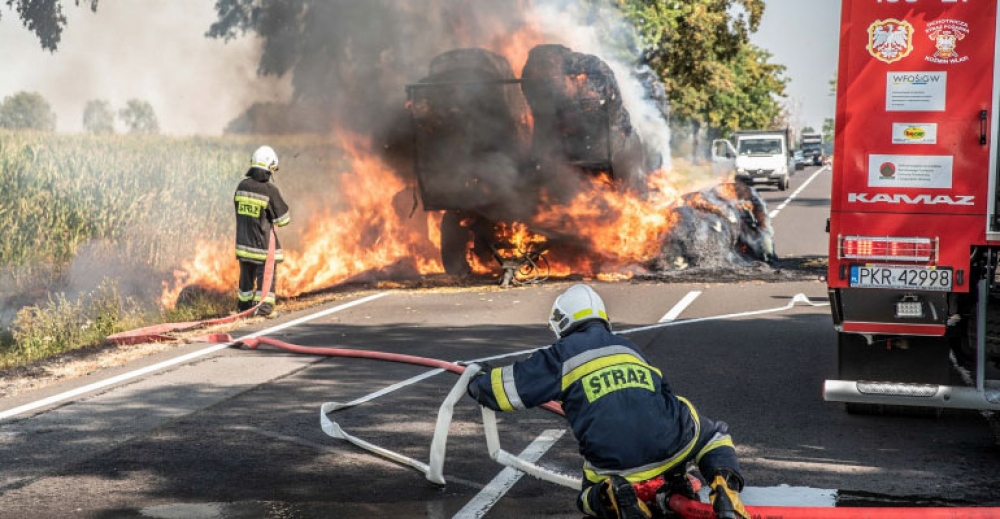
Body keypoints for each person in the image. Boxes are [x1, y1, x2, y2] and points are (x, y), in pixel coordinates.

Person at [466, 284, 749, 519]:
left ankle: (610, 495)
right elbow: (662, 393)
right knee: (713, 435)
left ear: (561, 322)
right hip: (672, 446)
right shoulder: (628, 347)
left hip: (617, 465)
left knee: (586, 497)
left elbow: (503, 391)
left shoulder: (560, 355)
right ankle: (724, 486)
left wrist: (477, 379)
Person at [234, 145, 290, 317]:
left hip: (243, 246)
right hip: (263, 249)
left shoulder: (241, 186)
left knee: (245, 282)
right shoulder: (270, 191)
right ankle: (264, 310)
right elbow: (283, 220)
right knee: (266, 280)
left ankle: (243, 309)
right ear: (269, 168)